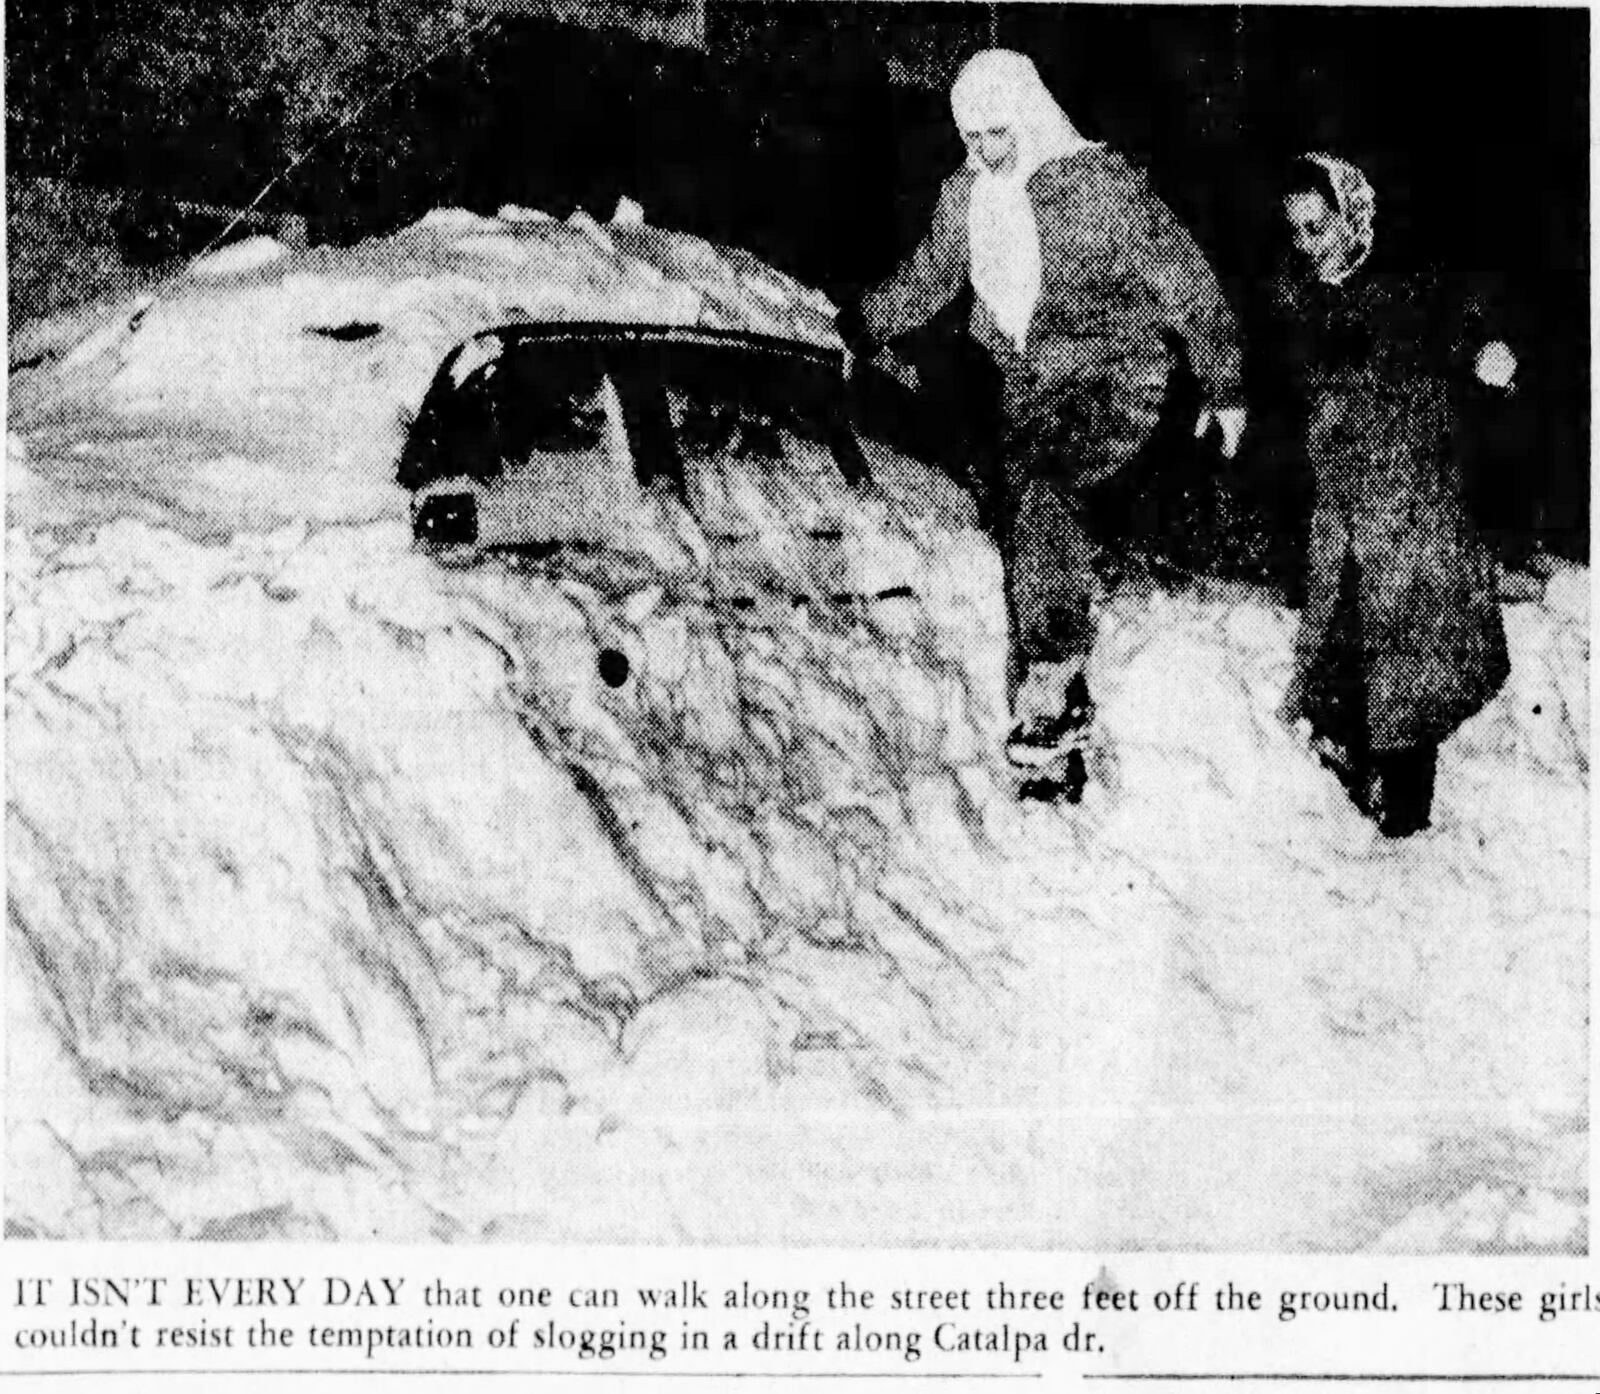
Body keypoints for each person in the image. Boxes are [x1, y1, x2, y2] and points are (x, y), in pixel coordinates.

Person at [841, 50, 1246, 802]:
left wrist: (1224, 384)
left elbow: (1183, 276)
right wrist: (864, 324)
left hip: (1116, 375)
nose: (986, 151)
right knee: (1027, 543)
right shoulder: (965, 195)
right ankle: (1054, 743)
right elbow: (932, 275)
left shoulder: (1102, 187)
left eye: (998, 133)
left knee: (1050, 495)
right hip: (1029, 388)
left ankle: (1054, 683)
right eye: (972, 137)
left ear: (1027, 117)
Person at [1269, 154, 1514, 838]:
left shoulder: (1406, 287)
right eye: (1297, 231)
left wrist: (1488, 350)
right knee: (1344, 639)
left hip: (1412, 504)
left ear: (1352, 219)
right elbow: (1286, 387)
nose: (1308, 245)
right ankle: (1352, 761)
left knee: (1411, 651)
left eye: (1318, 227)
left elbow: (1464, 317)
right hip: (1345, 509)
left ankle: (1406, 811)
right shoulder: (1297, 297)